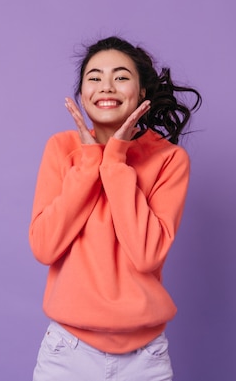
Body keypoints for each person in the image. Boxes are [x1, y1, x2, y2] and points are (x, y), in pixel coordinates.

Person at [29, 36, 202, 381]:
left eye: (121, 77)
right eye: (94, 77)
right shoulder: (61, 149)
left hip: (144, 359)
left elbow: (146, 254)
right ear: (81, 93)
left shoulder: (169, 160)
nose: (106, 86)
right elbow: (44, 246)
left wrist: (115, 160)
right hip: (68, 353)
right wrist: (91, 160)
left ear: (141, 93)